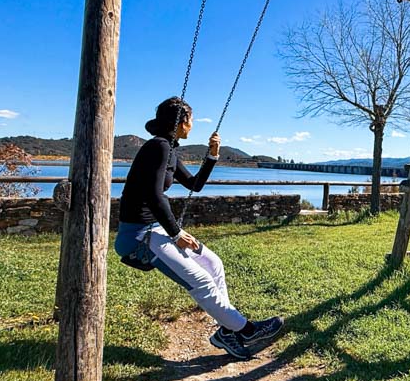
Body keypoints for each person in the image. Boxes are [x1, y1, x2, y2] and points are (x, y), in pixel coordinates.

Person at [114, 96, 284, 359]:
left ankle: (227, 332)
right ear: (182, 121)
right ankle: (247, 330)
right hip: (138, 236)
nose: (192, 125)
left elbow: (194, 184)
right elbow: (153, 195)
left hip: (155, 230)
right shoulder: (158, 147)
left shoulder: (168, 148)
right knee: (202, 281)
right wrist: (177, 233)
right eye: (190, 120)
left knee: (213, 264)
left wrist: (212, 155)